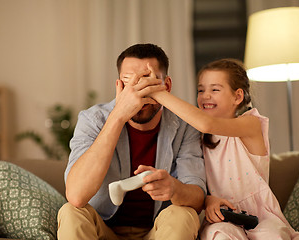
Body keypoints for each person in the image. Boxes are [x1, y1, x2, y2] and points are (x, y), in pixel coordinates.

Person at [149, 58, 299, 239]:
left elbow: (207, 124)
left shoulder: (250, 123)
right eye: (201, 90)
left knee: (272, 234)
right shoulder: (196, 138)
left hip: (261, 216)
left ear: (237, 96)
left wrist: (157, 92)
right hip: (223, 217)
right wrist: (208, 200)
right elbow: (197, 182)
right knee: (219, 235)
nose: (205, 96)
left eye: (215, 89)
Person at [57, 43, 206, 240]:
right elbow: (76, 195)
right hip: (104, 229)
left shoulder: (186, 125)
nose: (138, 93)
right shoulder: (93, 119)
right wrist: (118, 116)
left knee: (183, 214)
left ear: (166, 86)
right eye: (130, 84)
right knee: (70, 212)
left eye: (147, 83)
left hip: (157, 231)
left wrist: (174, 188)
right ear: (119, 86)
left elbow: (197, 199)